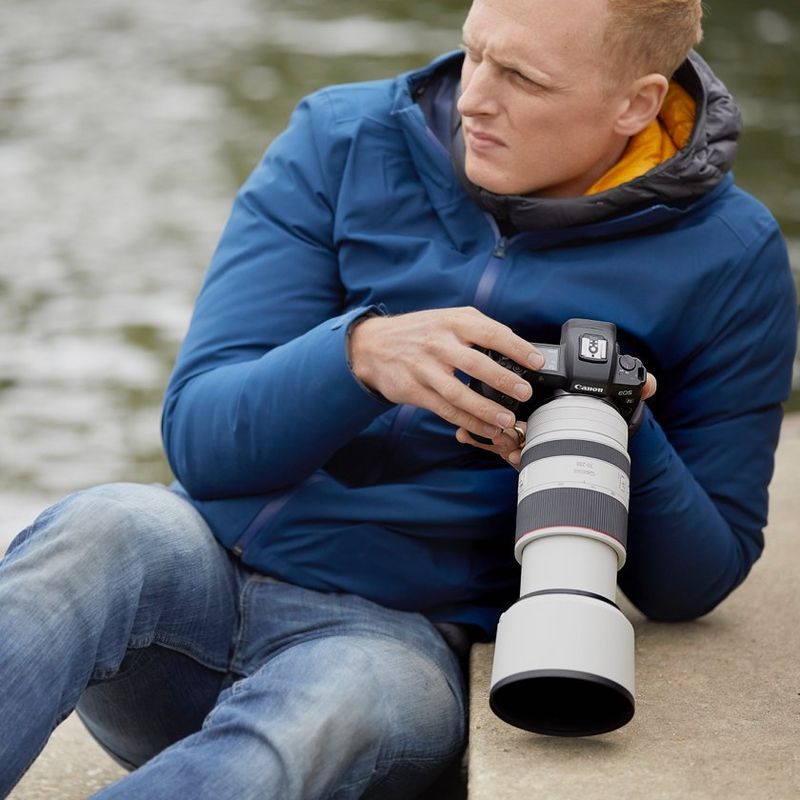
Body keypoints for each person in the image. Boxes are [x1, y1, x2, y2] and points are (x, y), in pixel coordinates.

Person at [0, 0, 795, 797]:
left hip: (395, 645)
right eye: (474, 52)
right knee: (99, 527)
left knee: (321, 712)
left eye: (521, 76)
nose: (475, 97)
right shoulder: (341, 139)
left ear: (636, 103)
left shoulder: (731, 256)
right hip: (200, 580)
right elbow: (202, 439)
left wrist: (617, 429)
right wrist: (359, 355)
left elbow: (701, 577)